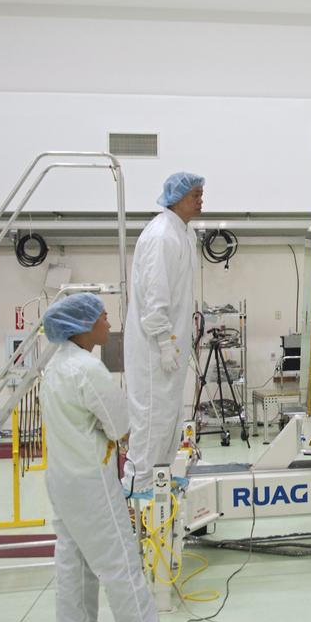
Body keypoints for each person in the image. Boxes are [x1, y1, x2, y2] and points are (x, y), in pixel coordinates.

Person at [40, 293, 195, 622]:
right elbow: (120, 424)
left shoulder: (56, 367)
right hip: (90, 483)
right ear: (83, 327)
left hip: (62, 479)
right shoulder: (87, 371)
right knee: (121, 562)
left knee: (73, 564)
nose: (109, 324)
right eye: (103, 318)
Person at [122, 172, 202, 500]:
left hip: (172, 345)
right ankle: (137, 489)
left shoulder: (183, 234)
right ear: (177, 197)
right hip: (155, 348)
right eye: (196, 194)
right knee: (152, 418)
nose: (201, 199)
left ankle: (160, 479)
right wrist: (164, 341)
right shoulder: (160, 236)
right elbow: (155, 296)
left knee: (169, 417)